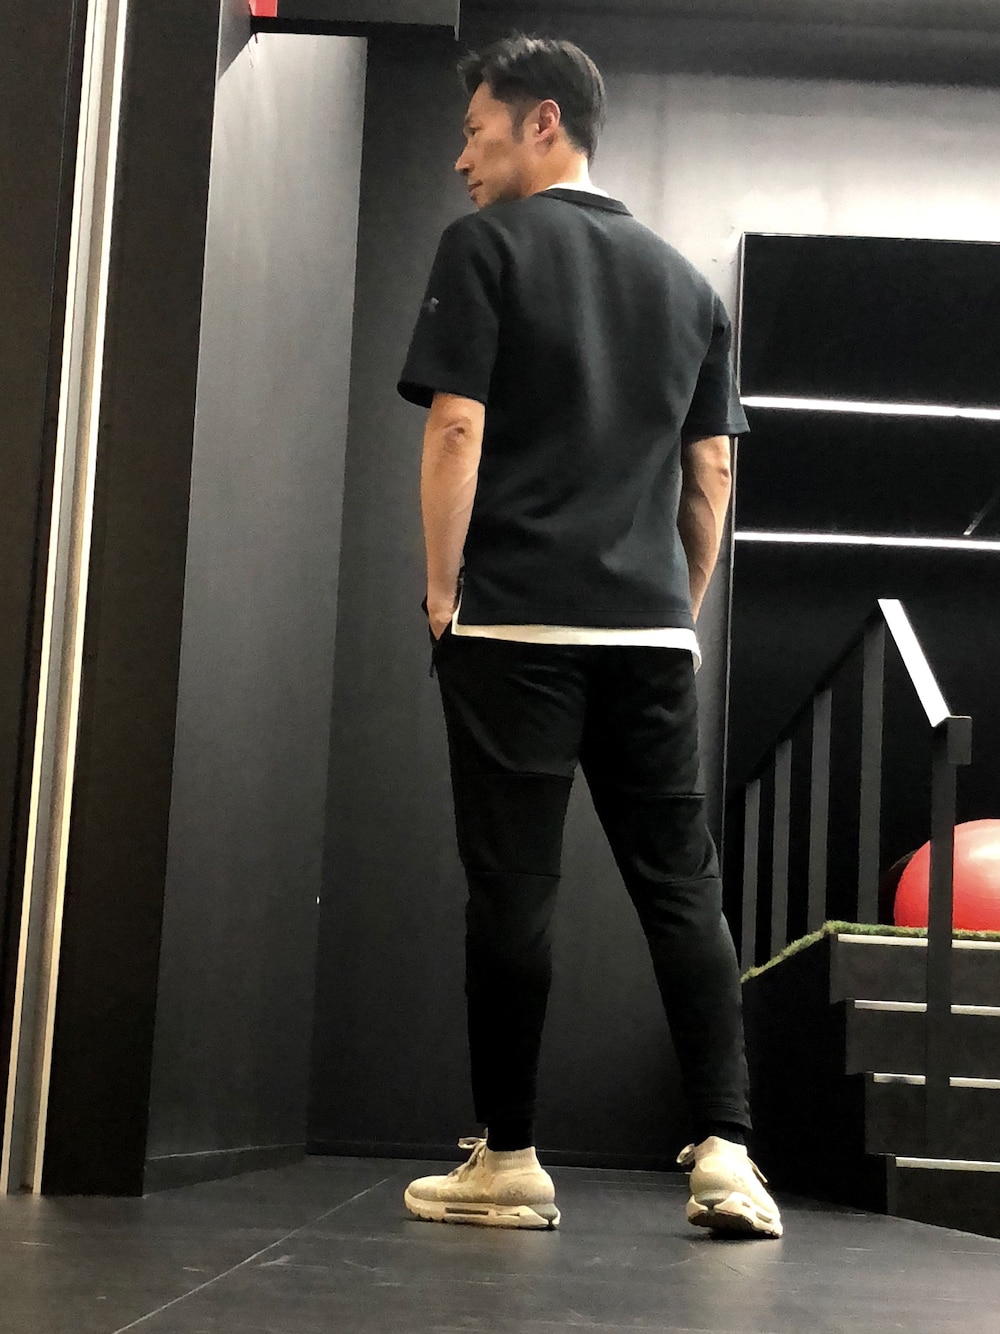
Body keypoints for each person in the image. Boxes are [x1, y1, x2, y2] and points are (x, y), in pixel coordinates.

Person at [396, 33, 781, 1239]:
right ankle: (728, 1153)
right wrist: (679, 607)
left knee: (514, 886)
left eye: (476, 130)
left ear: (543, 122)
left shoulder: (485, 248)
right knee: (681, 885)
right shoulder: (688, 286)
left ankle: (509, 1160)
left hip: (514, 620)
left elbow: (456, 429)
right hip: (649, 635)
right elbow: (710, 473)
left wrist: (442, 590)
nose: (461, 158)